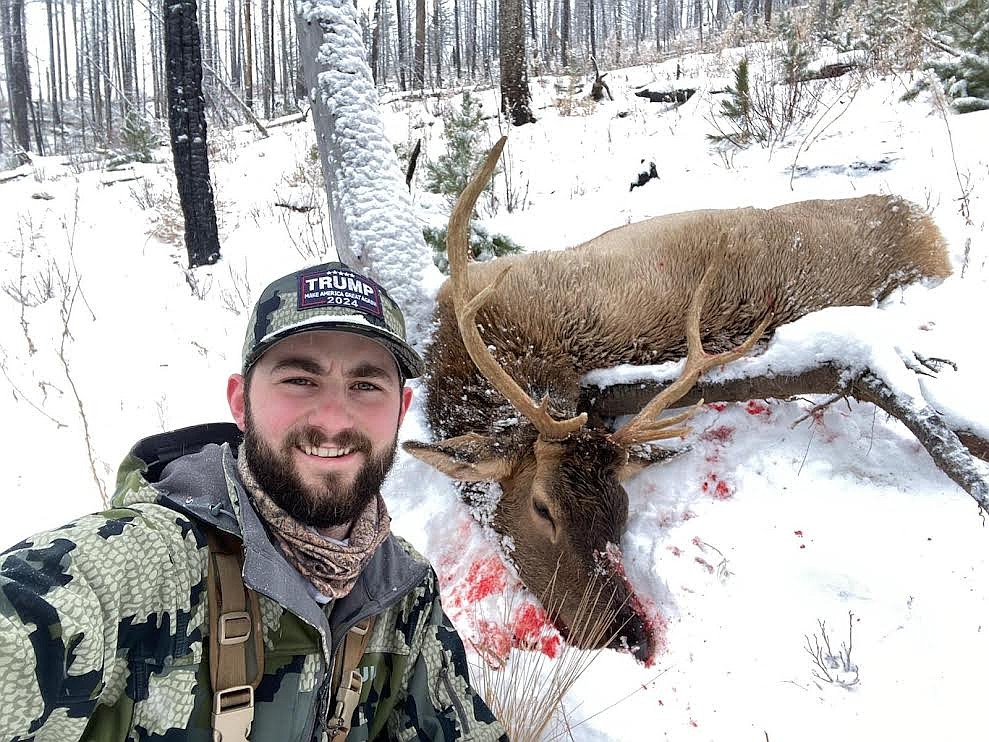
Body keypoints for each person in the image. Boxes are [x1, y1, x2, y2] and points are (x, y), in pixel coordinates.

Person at [0, 262, 508, 741]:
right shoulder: (141, 566)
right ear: (241, 402)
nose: (333, 419)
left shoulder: (401, 590)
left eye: (365, 384)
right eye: (299, 379)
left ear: (401, 410)